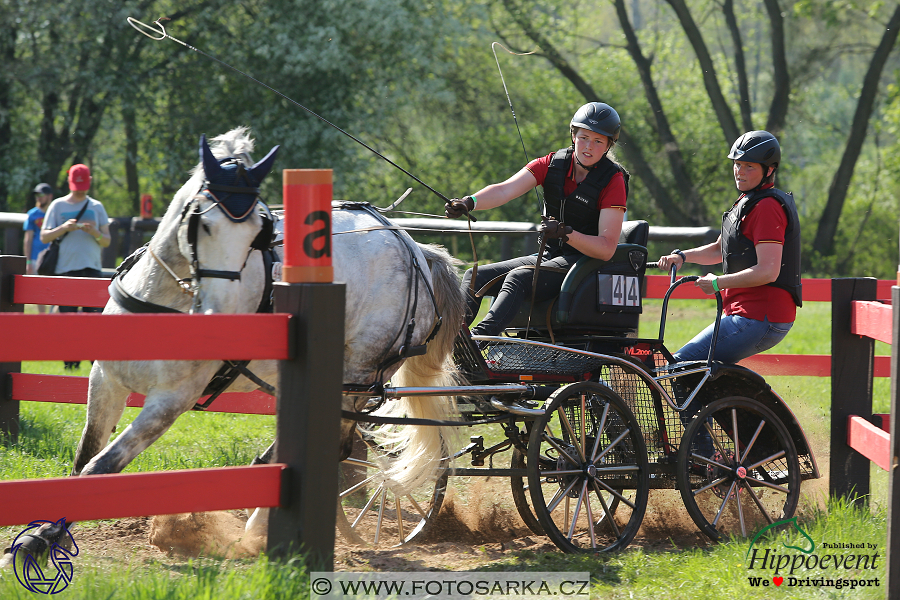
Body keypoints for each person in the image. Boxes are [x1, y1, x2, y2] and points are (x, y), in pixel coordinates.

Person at [445, 102, 628, 337]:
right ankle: (451, 339)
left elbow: (606, 249)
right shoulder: (552, 164)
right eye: (583, 137)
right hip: (551, 257)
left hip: (584, 265)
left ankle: (479, 340)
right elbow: (504, 190)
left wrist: (565, 233)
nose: (588, 147)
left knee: (519, 277)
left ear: (608, 145)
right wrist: (470, 202)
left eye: (598, 141)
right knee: (474, 276)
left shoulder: (613, 181)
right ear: (573, 135)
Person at [656, 130, 802, 365]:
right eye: (737, 164)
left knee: (683, 364)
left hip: (760, 317)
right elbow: (718, 250)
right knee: (694, 370)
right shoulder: (749, 201)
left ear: (770, 170)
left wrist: (717, 283)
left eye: (749, 166)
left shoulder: (766, 207)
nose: (740, 172)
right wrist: (683, 256)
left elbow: (768, 271)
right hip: (748, 314)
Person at [41, 164, 111, 370]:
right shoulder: (57, 206)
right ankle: (70, 364)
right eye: (76, 186)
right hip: (66, 269)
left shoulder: (97, 206)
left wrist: (95, 233)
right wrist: (64, 228)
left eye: (83, 186)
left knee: (94, 321)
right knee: (68, 322)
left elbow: (107, 240)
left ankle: (95, 363)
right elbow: (44, 236)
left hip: (92, 268)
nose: (80, 190)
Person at [23, 183, 53, 313]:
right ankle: (43, 318)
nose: (38, 198)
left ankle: (54, 317)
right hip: (36, 257)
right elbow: (28, 239)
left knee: (54, 288)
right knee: (40, 289)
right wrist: (28, 261)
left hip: (53, 256)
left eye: (41, 194)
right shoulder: (32, 214)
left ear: (49, 196)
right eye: (37, 195)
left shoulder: (55, 212)